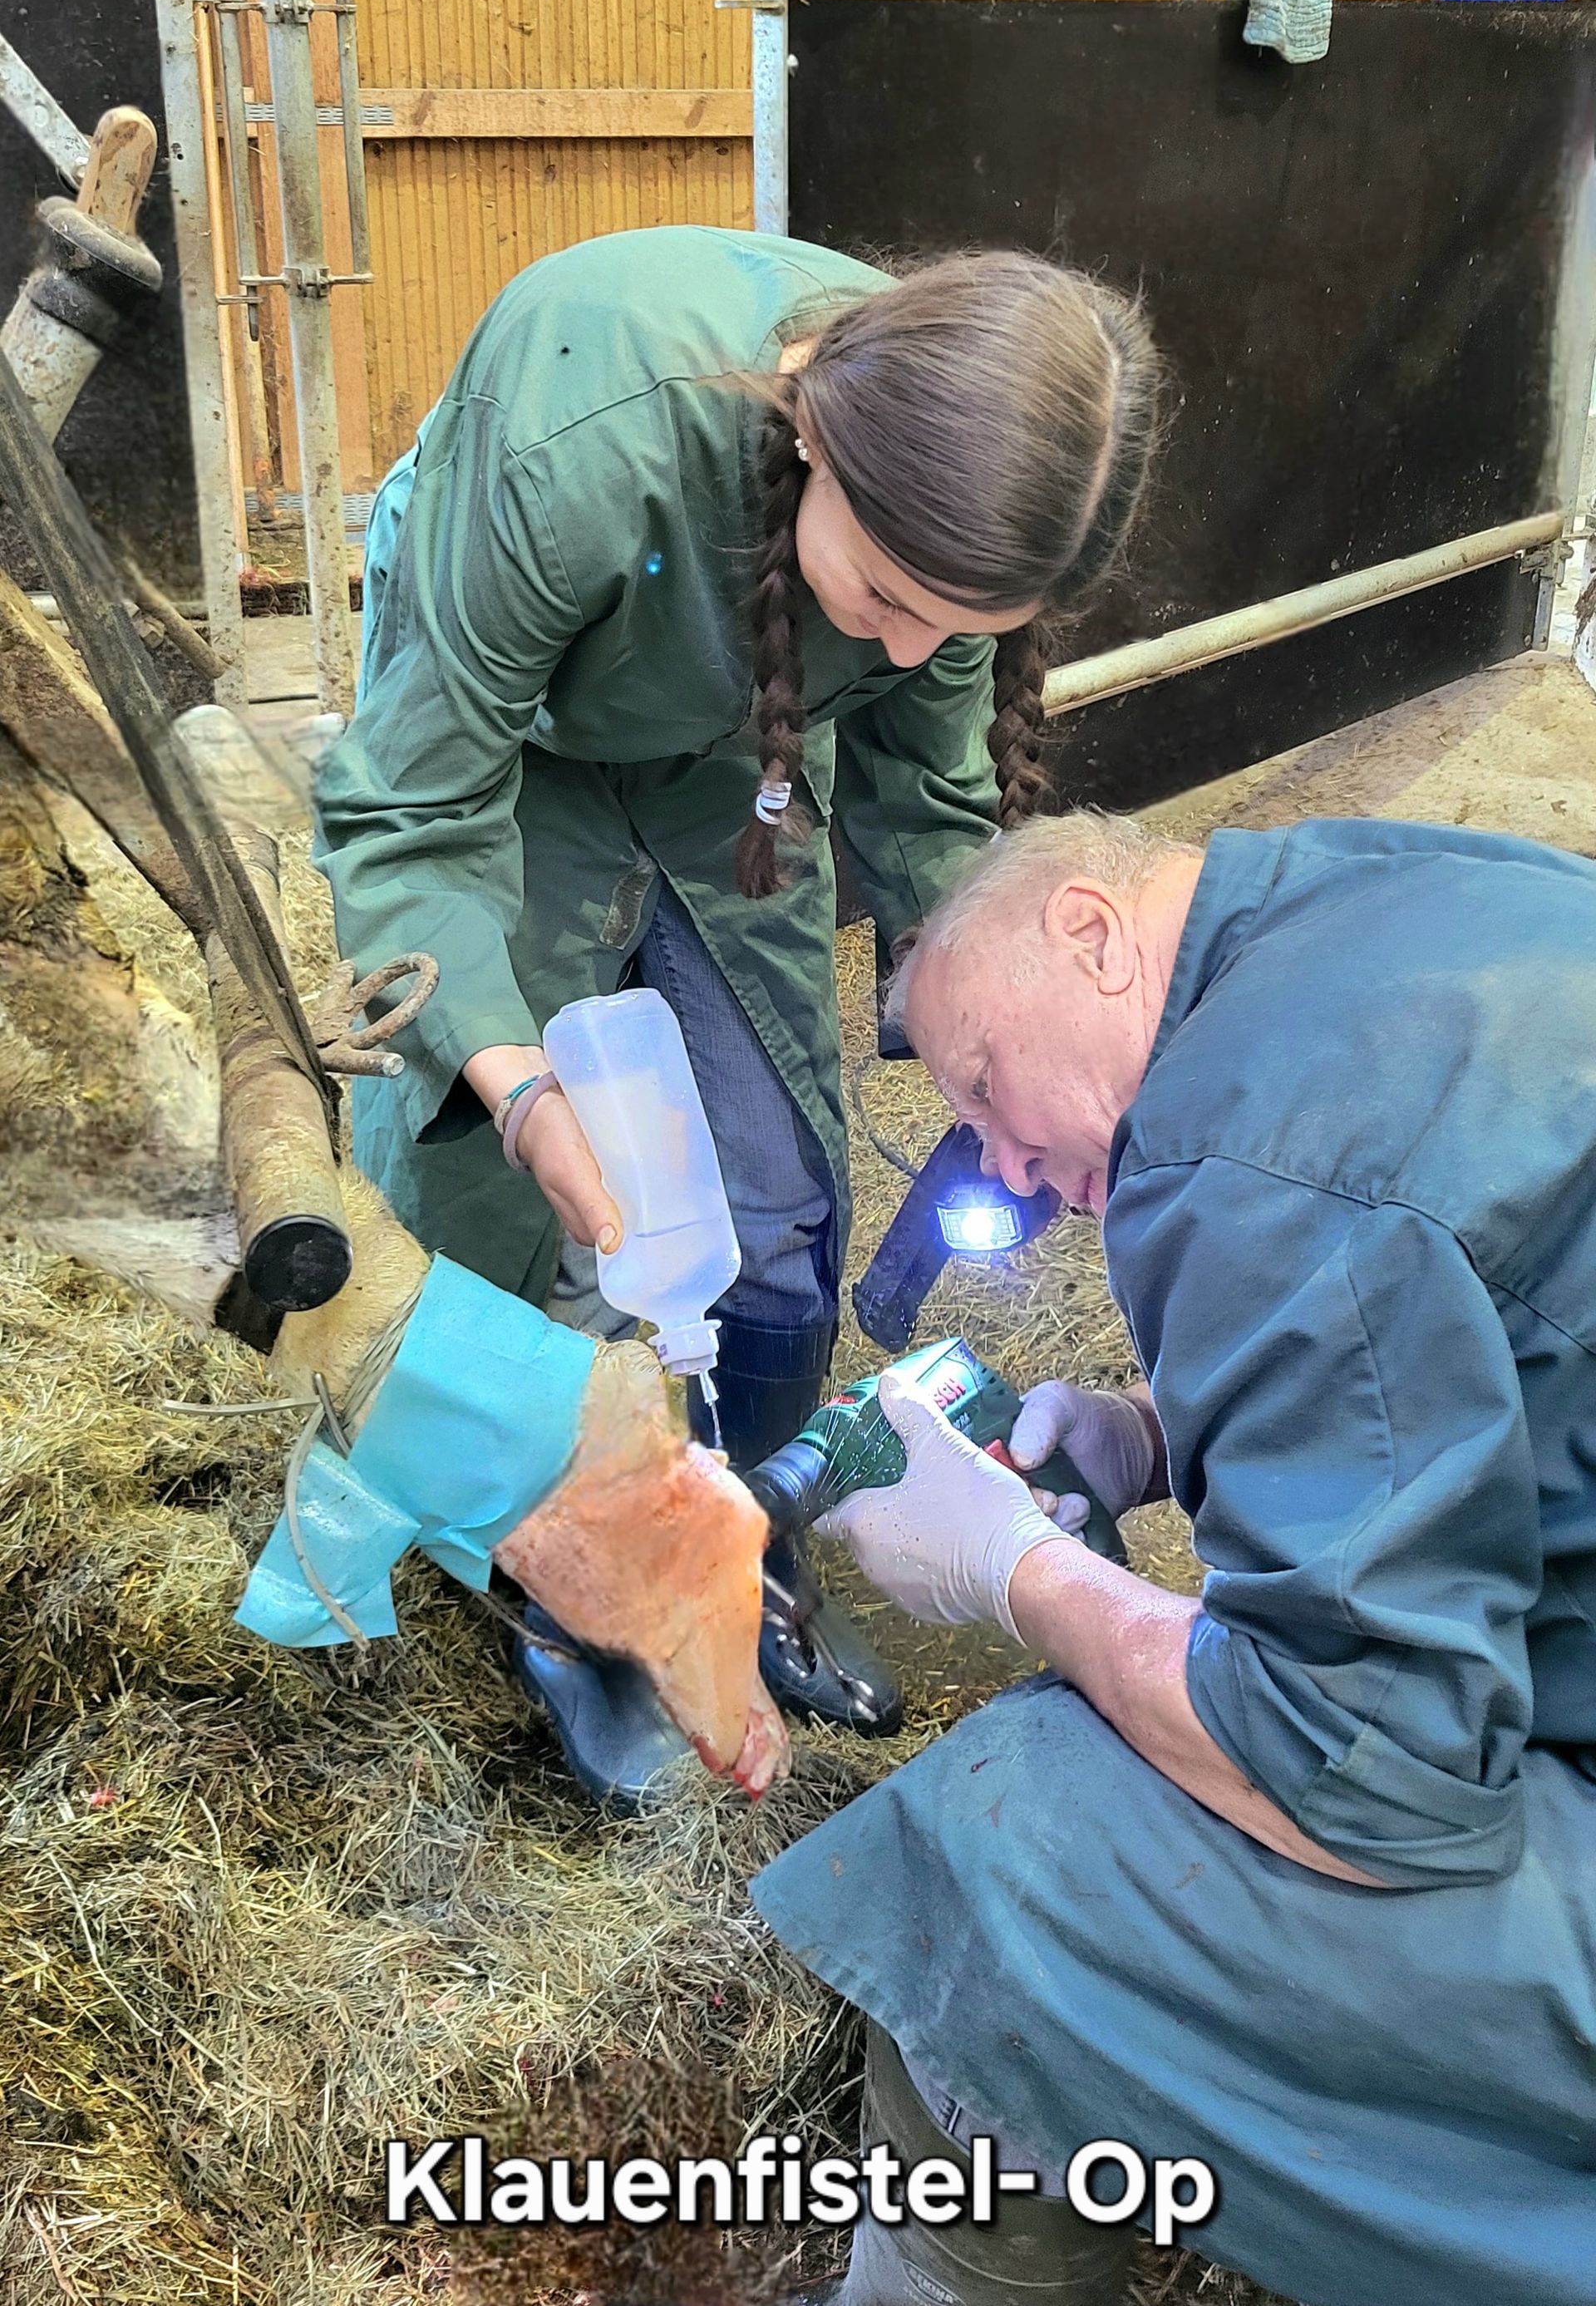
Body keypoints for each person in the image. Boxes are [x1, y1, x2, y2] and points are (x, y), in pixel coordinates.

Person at [315, 227, 1160, 1803]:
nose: (912, 651)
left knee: (777, 1197)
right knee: (508, 1201)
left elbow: (928, 804)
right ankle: (564, 1597)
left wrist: (1011, 1064)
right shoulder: (581, 447)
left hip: (743, 738)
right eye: (890, 597)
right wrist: (520, 1092)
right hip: (517, 740)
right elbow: (415, 812)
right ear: (816, 439)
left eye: (960, 629)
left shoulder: (945, 524)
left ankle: (742, 1543)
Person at [753, 808, 1596, 2306]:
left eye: (983, 1088)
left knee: (1020, 1834)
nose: (1006, 1165)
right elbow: (1481, 1328)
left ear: (1089, 932)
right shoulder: (1398, 894)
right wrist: (1157, 1436)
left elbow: (1359, 1774)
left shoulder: (1244, 1137)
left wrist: (1014, 1568)